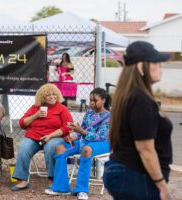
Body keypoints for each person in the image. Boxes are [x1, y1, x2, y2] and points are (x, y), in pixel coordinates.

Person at [103, 41, 173, 200]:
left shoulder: (131, 95)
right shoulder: (140, 99)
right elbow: (145, 148)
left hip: (128, 172)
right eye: (155, 62)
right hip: (135, 175)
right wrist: (162, 187)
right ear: (141, 67)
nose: (160, 66)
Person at [45, 88, 111, 200]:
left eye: (95, 100)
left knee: (86, 150)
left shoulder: (108, 116)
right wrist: (72, 137)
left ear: (103, 100)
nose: (91, 103)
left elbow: (101, 136)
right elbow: (82, 133)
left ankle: (81, 190)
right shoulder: (89, 113)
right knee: (60, 148)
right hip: (84, 141)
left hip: (102, 144)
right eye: (90, 100)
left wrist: (81, 131)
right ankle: (62, 188)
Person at [10, 83, 73, 191]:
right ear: (42, 97)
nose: (52, 97)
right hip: (34, 137)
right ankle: (23, 180)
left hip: (54, 137)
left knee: (50, 147)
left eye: (54, 94)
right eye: (48, 95)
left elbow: (67, 127)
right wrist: (36, 115)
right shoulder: (35, 108)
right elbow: (22, 124)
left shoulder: (62, 108)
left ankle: (52, 179)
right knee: (23, 147)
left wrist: (50, 136)